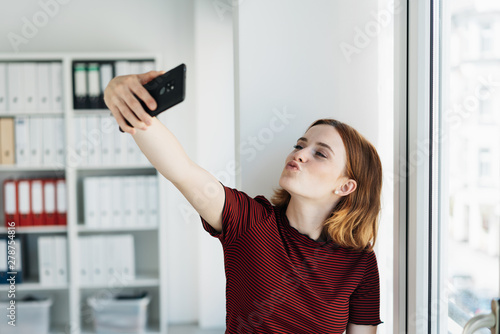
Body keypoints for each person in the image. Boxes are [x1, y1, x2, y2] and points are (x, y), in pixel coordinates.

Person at [105, 70, 383, 334]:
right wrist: (121, 98)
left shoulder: (360, 263)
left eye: (320, 154)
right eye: (300, 145)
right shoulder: (250, 221)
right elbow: (182, 170)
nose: (299, 154)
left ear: (345, 186)